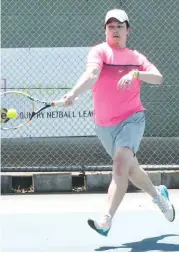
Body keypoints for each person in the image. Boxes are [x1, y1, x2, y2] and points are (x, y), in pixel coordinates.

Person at [61, 9, 175, 236]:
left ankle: (106, 220)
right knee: (130, 170)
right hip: (105, 125)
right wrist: (73, 93)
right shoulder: (100, 52)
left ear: (128, 30)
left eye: (120, 26)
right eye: (110, 26)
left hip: (132, 118)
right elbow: (92, 74)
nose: (115, 30)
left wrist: (135, 74)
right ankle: (157, 195)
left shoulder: (136, 58)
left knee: (121, 164)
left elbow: (158, 77)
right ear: (105, 30)